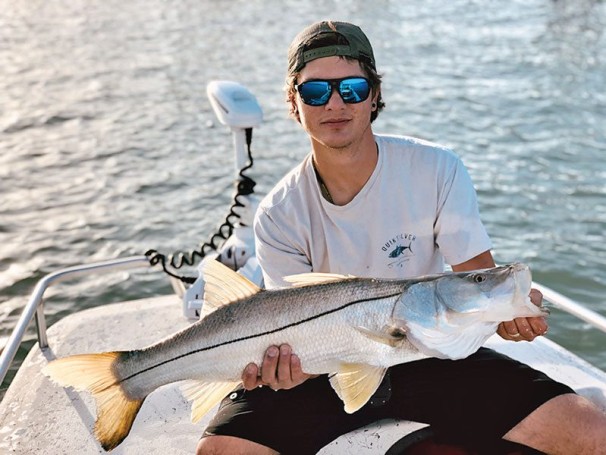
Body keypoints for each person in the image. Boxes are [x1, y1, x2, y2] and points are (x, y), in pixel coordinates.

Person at [197, 20, 606, 455]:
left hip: (426, 355)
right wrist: (286, 369)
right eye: (315, 92)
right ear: (294, 103)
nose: (335, 103)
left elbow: (477, 277)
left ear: (373, 95)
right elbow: (291, 341)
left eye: (352, 88)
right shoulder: (278, 213)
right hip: (322, 370)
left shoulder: (436, 169)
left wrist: (508, 313)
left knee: (590, 433)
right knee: (222, 451)